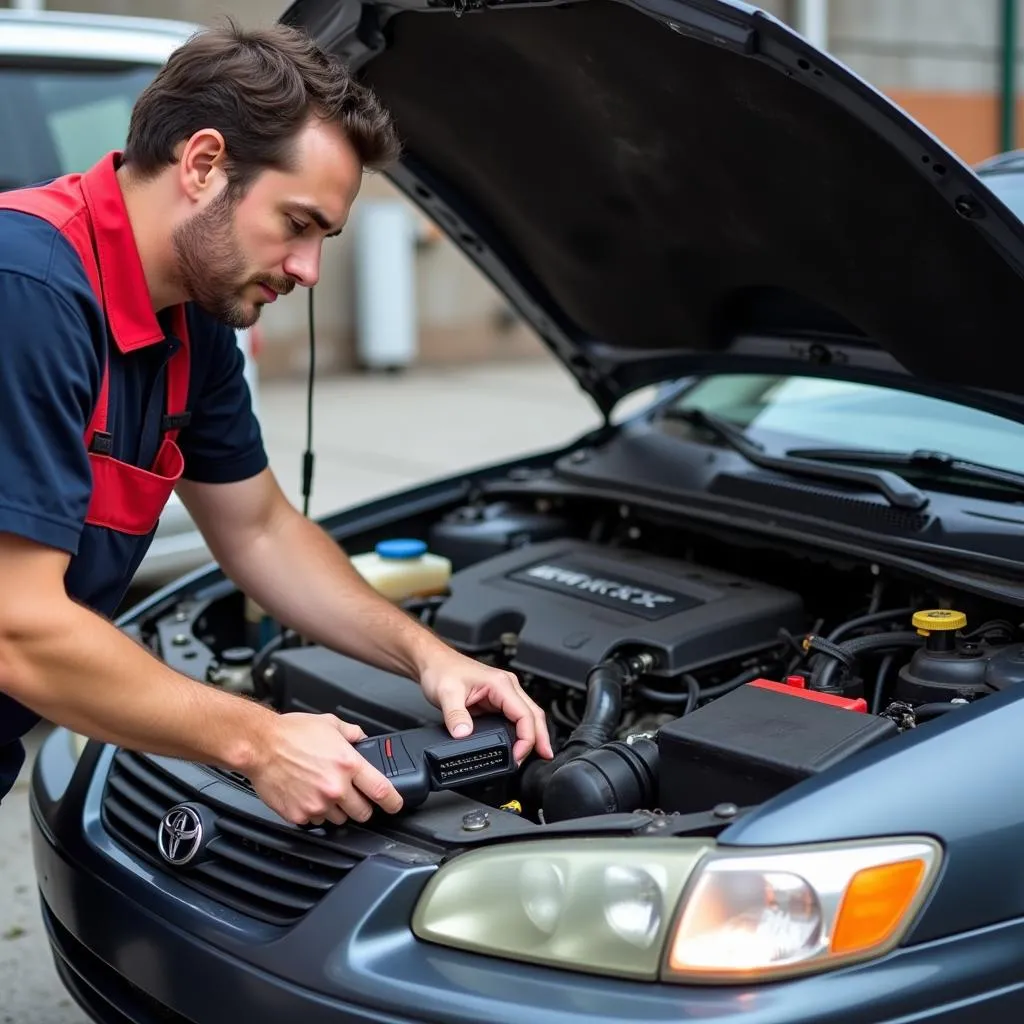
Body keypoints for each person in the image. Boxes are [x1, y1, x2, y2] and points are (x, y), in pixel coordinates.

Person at [0, 20, 552, 825]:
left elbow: (260, 530)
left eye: (325, 237)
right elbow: (18, 624)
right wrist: (260, 741)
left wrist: (430, 658)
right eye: (297, 224)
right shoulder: (29, 290)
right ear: (203, 164)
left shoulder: (193, 324)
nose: (309, 270)